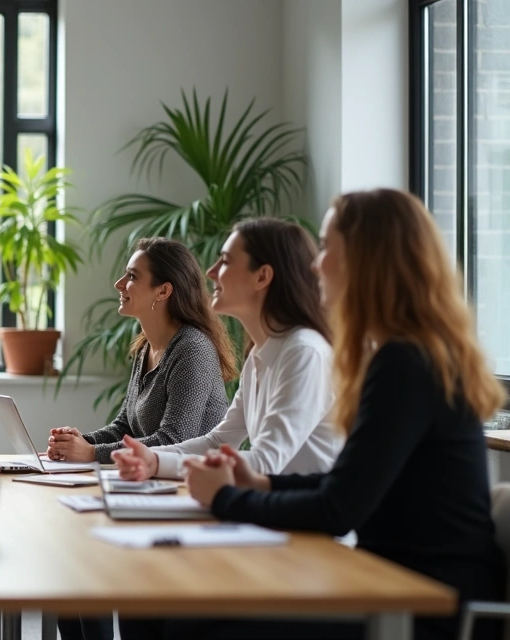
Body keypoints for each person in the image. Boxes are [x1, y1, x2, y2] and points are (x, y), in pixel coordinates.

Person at [123, 189, 507, 640]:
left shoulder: (405, 363)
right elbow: (342, 484)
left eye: (327, 248)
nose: (314, 264)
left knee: (192, 625)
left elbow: (339, 506)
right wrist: (257, 484)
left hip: (423, 604)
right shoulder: (401, 356)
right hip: (389, 582)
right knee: (158, 608)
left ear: (367, 261)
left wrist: (228, 496)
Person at [111, 218, 341, 482]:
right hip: (275, 510)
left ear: (262, 276)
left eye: (226, 260)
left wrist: (157, 461)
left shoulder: (303, 352)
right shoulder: (259, 354)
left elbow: (266, 461)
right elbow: (218, 440)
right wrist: (153, 459)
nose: (211, 271)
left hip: (303, 521)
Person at [45, 238, 236, 464]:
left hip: (195, 484)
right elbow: (124, 427)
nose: (119, 283)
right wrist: (76, 443)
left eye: (132, 276)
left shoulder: (192, 349)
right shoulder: (146, 347)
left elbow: (174, 440)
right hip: (157, 479)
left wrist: (92, 453)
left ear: (163, 291)